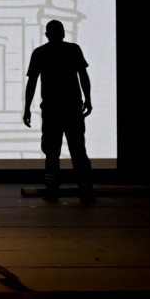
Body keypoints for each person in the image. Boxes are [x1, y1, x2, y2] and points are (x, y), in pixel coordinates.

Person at [23, 19, 93, 203]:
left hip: (52, 111)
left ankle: (52, 193)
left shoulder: (39, 53)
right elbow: (83, 76)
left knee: (51, 154)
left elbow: (32, 82)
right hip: (72, 110)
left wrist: (27, 108)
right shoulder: (73, 50)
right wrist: (89, 100)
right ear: (63, 33)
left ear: (47, 34)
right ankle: (86, 191)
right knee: (78, 151)